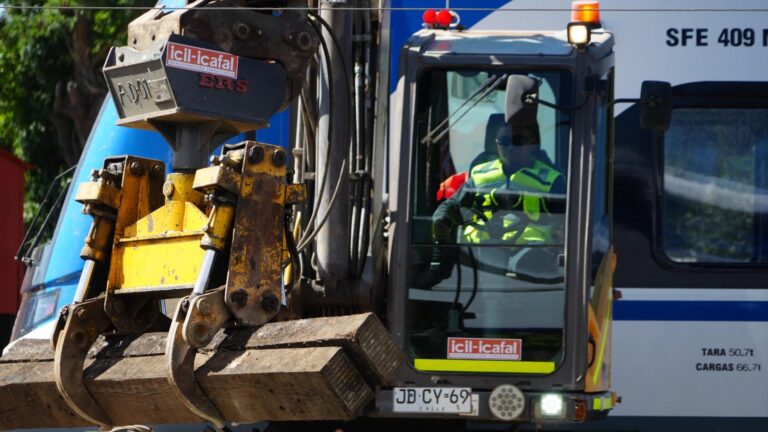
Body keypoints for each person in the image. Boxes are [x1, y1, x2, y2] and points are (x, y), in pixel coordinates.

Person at [432, 118, 565, 247]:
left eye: (518, 140)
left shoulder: (551, 180)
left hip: (531, 252)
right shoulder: (480, 174)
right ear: (496, 144)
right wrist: (441, 219)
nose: (510, 147)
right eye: (504, 141)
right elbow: (453, 205)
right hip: (478, 251)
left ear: (532, 143)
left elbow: (566, 220)